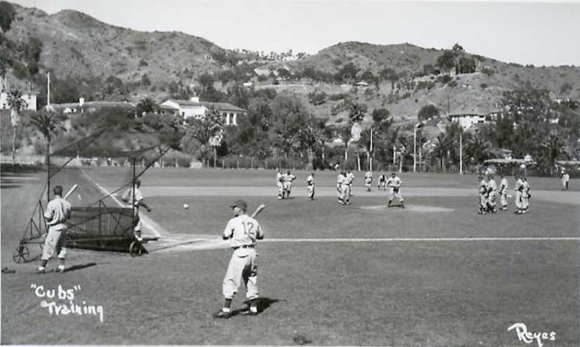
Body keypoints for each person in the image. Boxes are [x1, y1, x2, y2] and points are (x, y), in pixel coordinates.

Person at [215, 200, 265, 318]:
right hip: (252, 253)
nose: (233, 210)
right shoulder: (253, 221)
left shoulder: (233, 221)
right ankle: (253, 308)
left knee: (231, 280)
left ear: (240, 209)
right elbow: (261, 236)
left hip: (240, 253)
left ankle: (226, 310)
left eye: (234, 208)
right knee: (251, 279)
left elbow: (224, 236)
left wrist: (234, 235)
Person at [38, 185, 72, 274]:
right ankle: (62, 266)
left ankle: (42, 267)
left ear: (54, 192)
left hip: (55, 227)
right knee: (62, 246)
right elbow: (68, 216)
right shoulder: (67, 204)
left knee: (48, 246)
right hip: (64, 227)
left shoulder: (52, 203)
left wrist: (53, 216)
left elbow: (48, 217)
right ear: (61, 192)